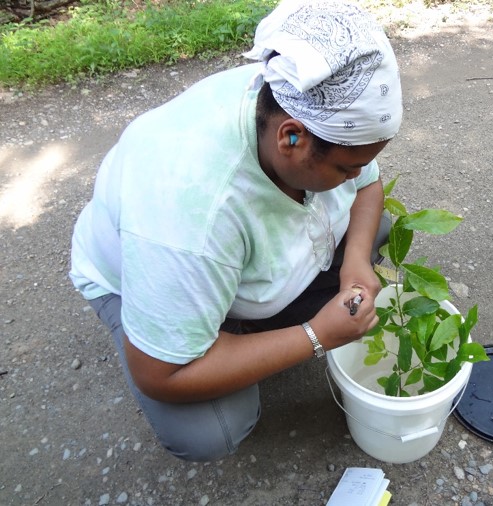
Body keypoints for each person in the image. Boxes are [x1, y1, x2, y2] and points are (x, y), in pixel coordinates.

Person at [69, 0, 403, 462]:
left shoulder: (296, 96)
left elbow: (369, 184)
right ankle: (211, 325)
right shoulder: (191, 215)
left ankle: (244, 319)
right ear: (292, 138)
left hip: (213, 255)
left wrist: (356, 261)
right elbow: (159, 374)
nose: (356, 176)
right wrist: (315, 335)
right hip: (157, 267)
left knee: (374, 230)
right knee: (212, 429)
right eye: (347, 168)